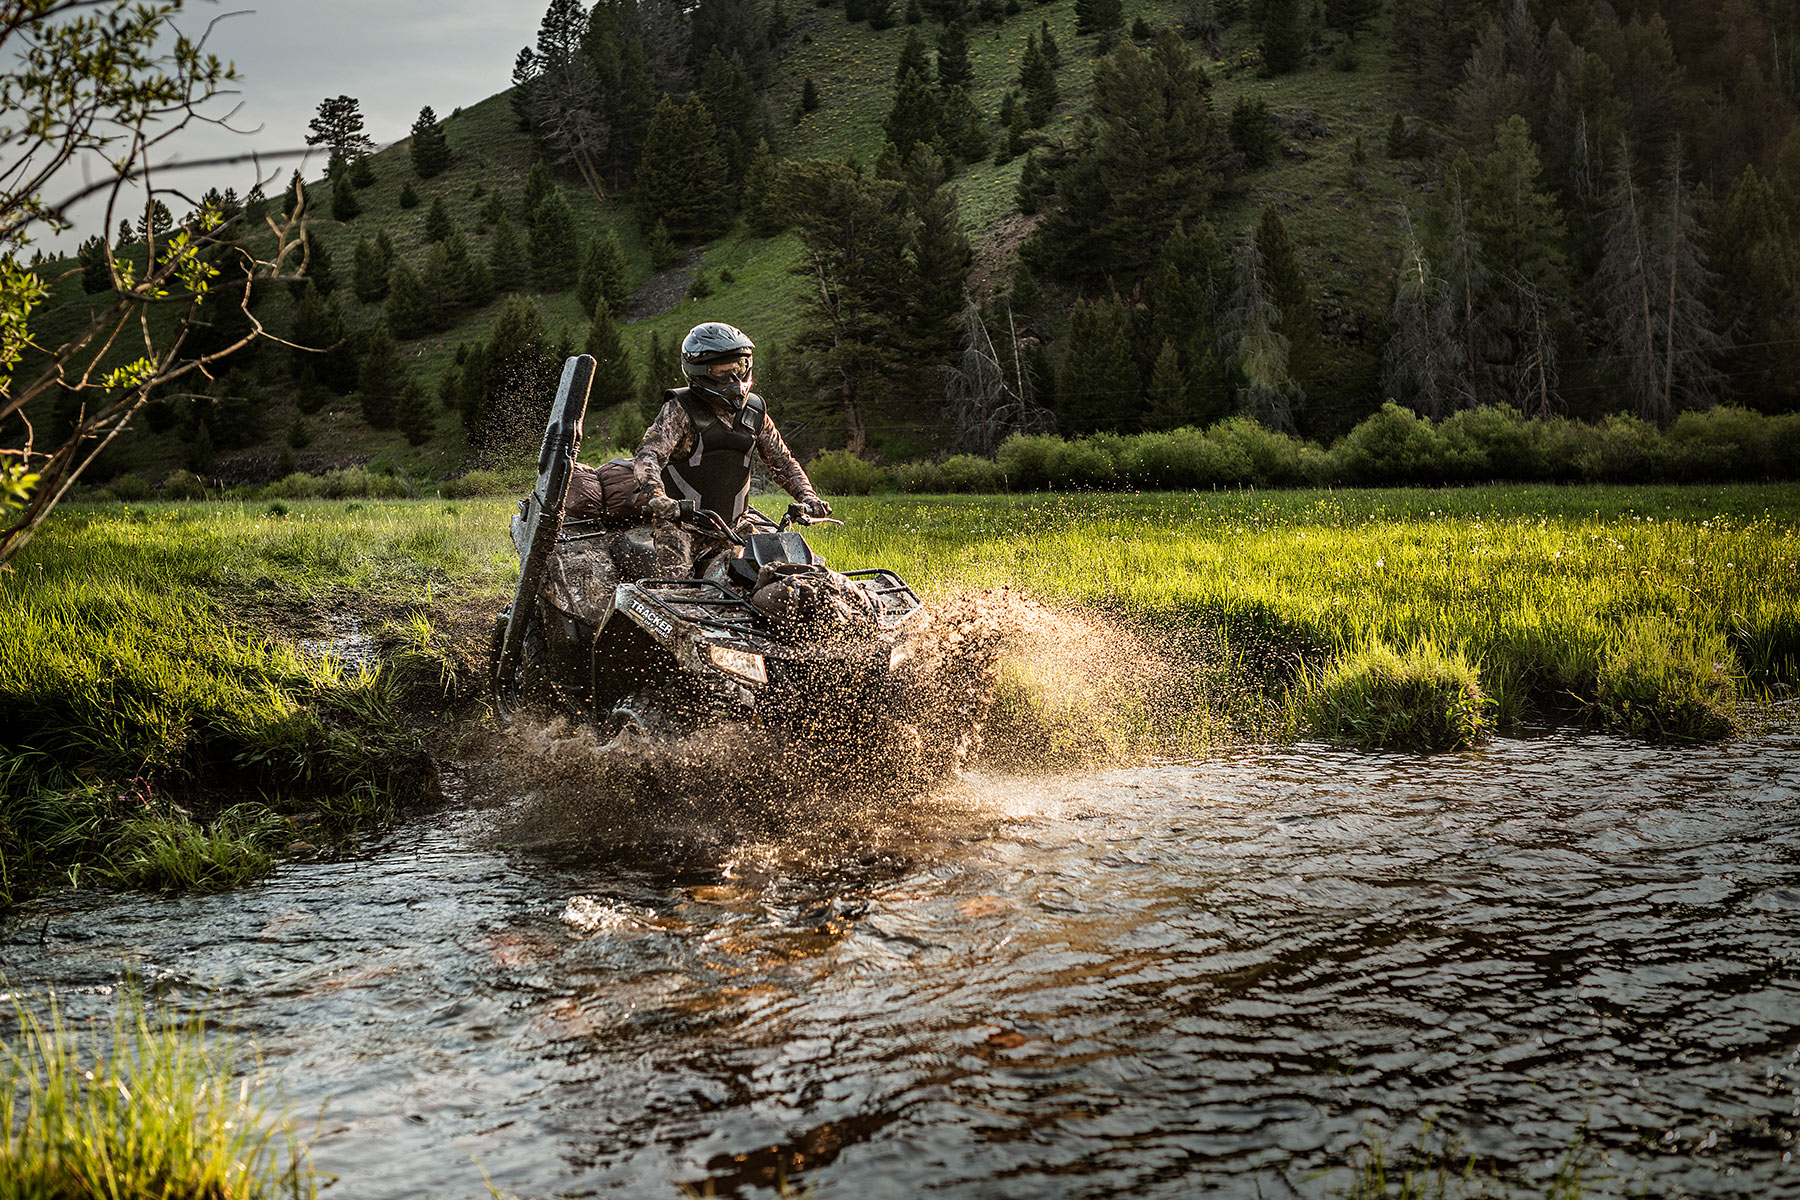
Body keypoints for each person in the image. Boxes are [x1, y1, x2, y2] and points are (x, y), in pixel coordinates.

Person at [633, 323, 830, 574]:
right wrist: (657, 496)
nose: (733, 380)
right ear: (699, 372)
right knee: (677, 586)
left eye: (739, 368)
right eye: (721, 372)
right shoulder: (680, 409)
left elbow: (783, 462)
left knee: (782, 572)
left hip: (736, 526)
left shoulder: (755, 412)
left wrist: (808, 496)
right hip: (682, 527)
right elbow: (648, 455)